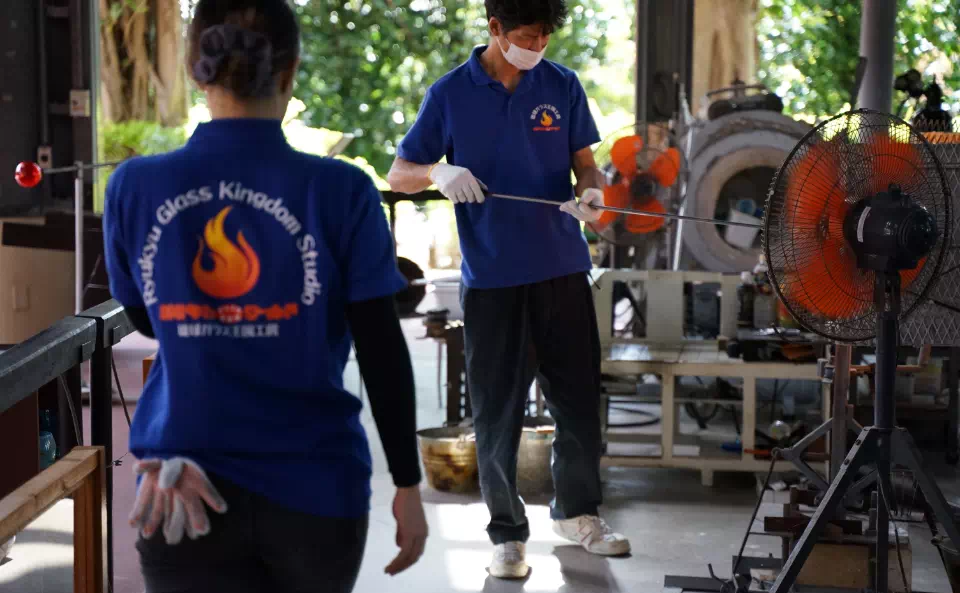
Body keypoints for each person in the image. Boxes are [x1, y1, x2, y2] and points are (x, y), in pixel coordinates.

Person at [102, 1, 427, 591]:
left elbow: (146, 319)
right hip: (315, 489)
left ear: (196, 69)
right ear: (290, 69)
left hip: (181, 482)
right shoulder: (342, 190)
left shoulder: (135, 186)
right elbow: (381, 349)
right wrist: (407, 482)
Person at [388, 0, 630, 580]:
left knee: (577, 403)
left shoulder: (562, 84)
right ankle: (507, 535)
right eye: (527, 35)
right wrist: (437, 173)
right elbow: (399, 172)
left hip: (563, 268)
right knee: (498, 415)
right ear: (495, 28)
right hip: (494, 279)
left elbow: (586, 165)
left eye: (545, 36)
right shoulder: (451, 94)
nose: (537, 46)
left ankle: (579, 514)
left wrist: (592, 193)